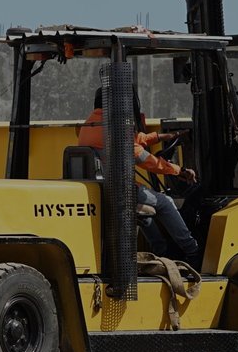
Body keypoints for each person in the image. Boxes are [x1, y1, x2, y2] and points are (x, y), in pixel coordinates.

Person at [79, 86, 201, 266]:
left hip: (104, 187)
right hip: (122, 190)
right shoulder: (115, 128)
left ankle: (162, 253)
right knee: (166, 202)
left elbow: (134, 139)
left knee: (148, 212)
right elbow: (148, 161)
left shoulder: (90, 124)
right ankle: (193, 252)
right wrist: (180, 171)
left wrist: (162, 136)